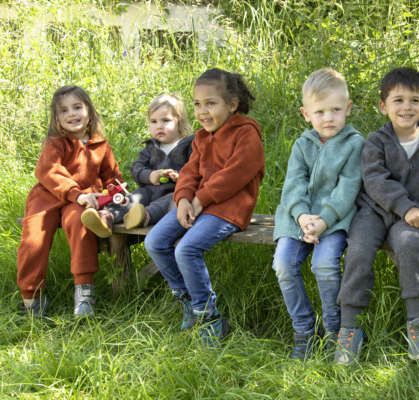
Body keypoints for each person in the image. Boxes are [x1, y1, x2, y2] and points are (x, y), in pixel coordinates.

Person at [335, 67, 419, 364]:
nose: (406, 107)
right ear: (384, 106)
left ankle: (418, 323)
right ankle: (349, 327)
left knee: (409, 244)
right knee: (358, 250)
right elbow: (375, 181)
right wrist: (405, 207)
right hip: (375, 211)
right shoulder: (376, 141)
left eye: (414, 100)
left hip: (416, 217)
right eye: (398, 100)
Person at [144, 68, 265, 345]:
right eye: (197, 104)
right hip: (198, 204)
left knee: (186, 249)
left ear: (232, 104)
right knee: (155, 241)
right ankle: (188, 300)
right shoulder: (200, 137)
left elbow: (233, 176)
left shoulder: (246, 134)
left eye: (211, 103)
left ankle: (209, 317)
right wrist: (184, 198)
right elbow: (189, 172)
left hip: (229, 209)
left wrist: (199, 200)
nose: (202, 111)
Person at [272, 68, 364, 360]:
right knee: (283, 264)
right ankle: (304, 330)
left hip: (335, 219)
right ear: (306, 114)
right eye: (320, 111)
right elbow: (293, 186)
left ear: (348, 109)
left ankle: (335, 330)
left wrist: (323, 220)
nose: (328, 118)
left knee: (324, 265)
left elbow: (348, 189)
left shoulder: (354, 144)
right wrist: (301, 217)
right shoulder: (302, 145)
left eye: (335, 110)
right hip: (297, 219)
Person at [17, 85, 122, 317]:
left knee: (80, 223)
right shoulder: (55, 143)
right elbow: (50, 173)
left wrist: (115, 193)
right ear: (56, 118)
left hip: (82, 199)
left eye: (77, 107)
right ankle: (31, 298)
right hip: (48, 197)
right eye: (64, 110)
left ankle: (84, 293)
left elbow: (112, 177)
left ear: (89, 111)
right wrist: (76, 193)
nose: (72, 114)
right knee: (33, 238)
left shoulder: (100, 145)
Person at [81, 94, 193, 237]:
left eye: (166, 121)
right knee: (133, 197)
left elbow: (196, 170)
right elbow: (136, 168)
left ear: (180, 122)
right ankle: (107, 217)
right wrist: (150, 175)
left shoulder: (189, 146)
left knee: (171, 201)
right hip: (150, 191)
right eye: (154, 121)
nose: (159, 126)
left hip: (176, 192)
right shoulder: (150, 148)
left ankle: (143, 217)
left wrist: (180, 177)